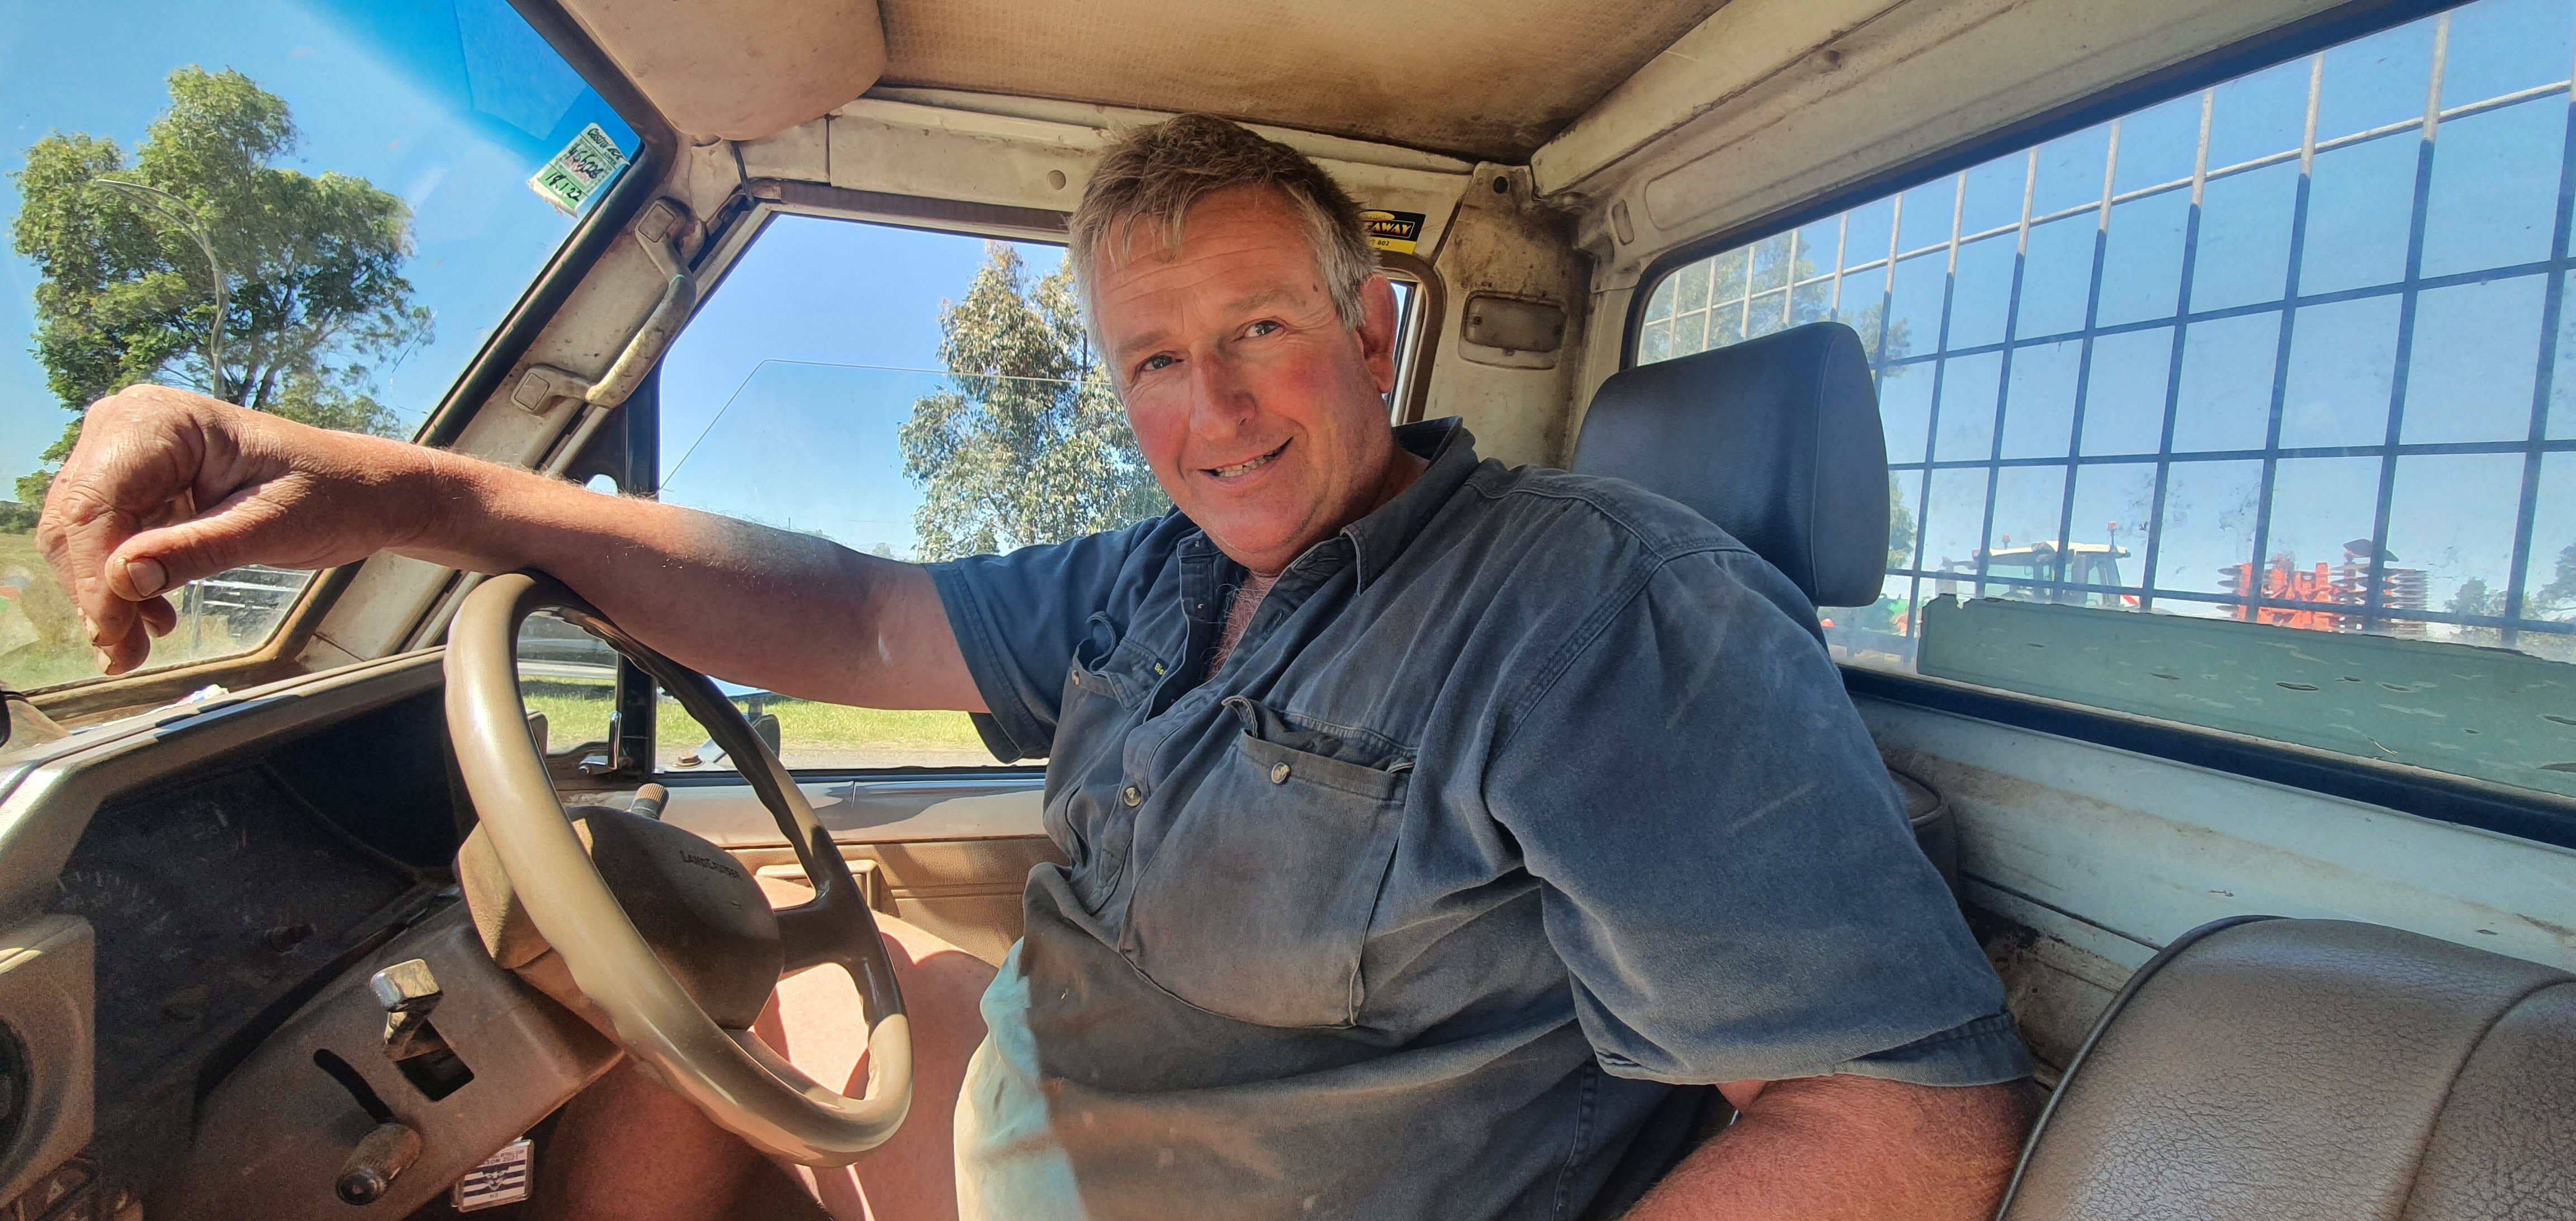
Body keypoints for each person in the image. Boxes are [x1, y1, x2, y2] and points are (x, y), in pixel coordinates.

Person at [40, 115, 2034, 1220]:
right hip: (1032, 1127)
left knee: (676, 975)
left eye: (1260, 331)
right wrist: (412, 497)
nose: (1216, 410)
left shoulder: (1599, 605)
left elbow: (1904, 1126)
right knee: (694, 955)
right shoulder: (1164, 581)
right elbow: (858, 615)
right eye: (1156, 361)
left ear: (1372, 334)